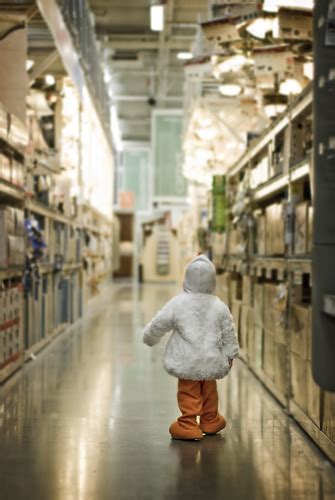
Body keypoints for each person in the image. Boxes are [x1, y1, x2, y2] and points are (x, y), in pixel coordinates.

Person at [142, 254, 239, 441]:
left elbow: (159, 323)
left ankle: (188, 424)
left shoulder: (178, 303)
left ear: (186, 280)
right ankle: (210, 420)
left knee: (189, 392)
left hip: (186, 361)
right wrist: (230, 354)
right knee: (209, 392)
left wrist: (149, 337)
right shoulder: (218, 306)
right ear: (213, 282)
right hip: (211, 360)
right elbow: (229, 331)